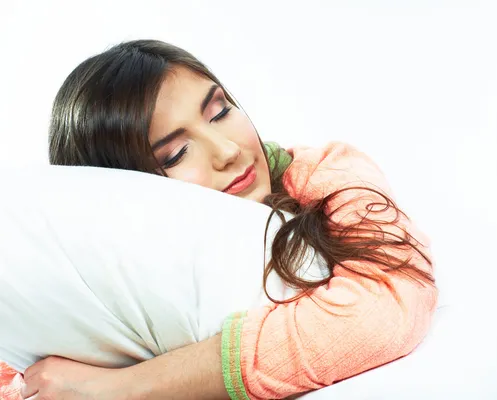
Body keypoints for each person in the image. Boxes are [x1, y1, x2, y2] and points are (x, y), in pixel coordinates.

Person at [11, 40, 438, 400]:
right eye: (176, 153)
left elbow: (389, 307)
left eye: (219, 111)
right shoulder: (117, 272)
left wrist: (121, 389)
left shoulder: (328, 171)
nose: (226, 150)